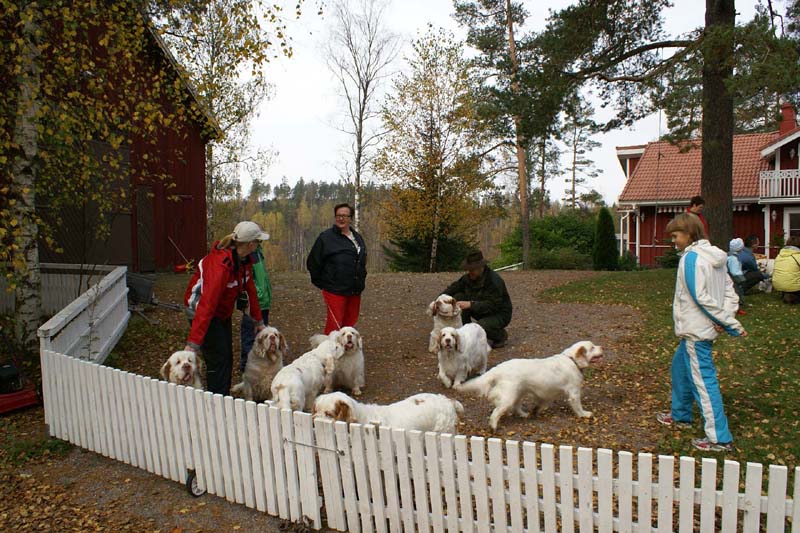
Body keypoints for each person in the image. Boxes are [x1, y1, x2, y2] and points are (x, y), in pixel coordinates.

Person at [656, 213, 747, 452]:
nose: (673, 241)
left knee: (704, 383)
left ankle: (719, 438)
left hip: (697, 332)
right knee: (679, 368)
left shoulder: (691, 259)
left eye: (675, 236)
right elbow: (730, 293)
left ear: (688, 234)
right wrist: (723, 317)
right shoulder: (716, 258)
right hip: (700, 328)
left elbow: (700, 297)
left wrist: (728, 323)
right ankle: (681, 415)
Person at [183, 221, 268, 394]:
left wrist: (258, 321)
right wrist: (193, 343)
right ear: (251, 244)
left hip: (221, 313)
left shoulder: (244, 261)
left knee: (227, 356)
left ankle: (223, 396)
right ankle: (216, 399)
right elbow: (207, 304)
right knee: (218, 359)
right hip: (201, 312)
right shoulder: (221, 265)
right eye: (259, 242)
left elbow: (250, 291)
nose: (260, 245)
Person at [307, 203, 367, 334]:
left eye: (345, 216)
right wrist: (324, 283)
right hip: (334, 290)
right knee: (334, 326)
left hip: (354, 290)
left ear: (350, 218)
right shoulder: (326, 238)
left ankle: (346, 352)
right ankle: (329, 352)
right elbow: (313, 263)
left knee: (349, 326)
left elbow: (361, 260)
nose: (341, 219)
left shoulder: (357, 237)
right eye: (339, 216)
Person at [441, 250, 513, 349]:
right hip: (479, 308)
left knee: (481, 327)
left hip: (499, 314)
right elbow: (453, 288)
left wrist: (471, 304)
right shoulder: (468, 278)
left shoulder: (494, 281)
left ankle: (500, 335)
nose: (470, 272)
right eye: (468, 269)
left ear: (481, 267)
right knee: (458, 297)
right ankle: (466, 333)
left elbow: (493, 305)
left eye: (473, 269)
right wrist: (439, 300)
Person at [240, 241, 273, 372]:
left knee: (263, 335)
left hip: (263, 302)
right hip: (254, 302)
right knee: (249, 335)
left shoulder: (258, 253)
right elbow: (247, 278)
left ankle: (261, 361)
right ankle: (246, 365)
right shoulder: (249, 254)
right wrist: (256, 293)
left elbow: (261, 277)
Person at [772, 236, 800, 304]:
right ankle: (792, 296)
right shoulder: (798, 256)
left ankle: (788, 293)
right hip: (793, 285)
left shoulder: (779, 255)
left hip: (778, 284)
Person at [726, 237, 747, 315]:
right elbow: (735, 272)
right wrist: (741, 278)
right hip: (734, 279)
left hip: (730, 278)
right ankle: (737, 308)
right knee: (736, 293)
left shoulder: (729, 256)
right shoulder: (733, 259)